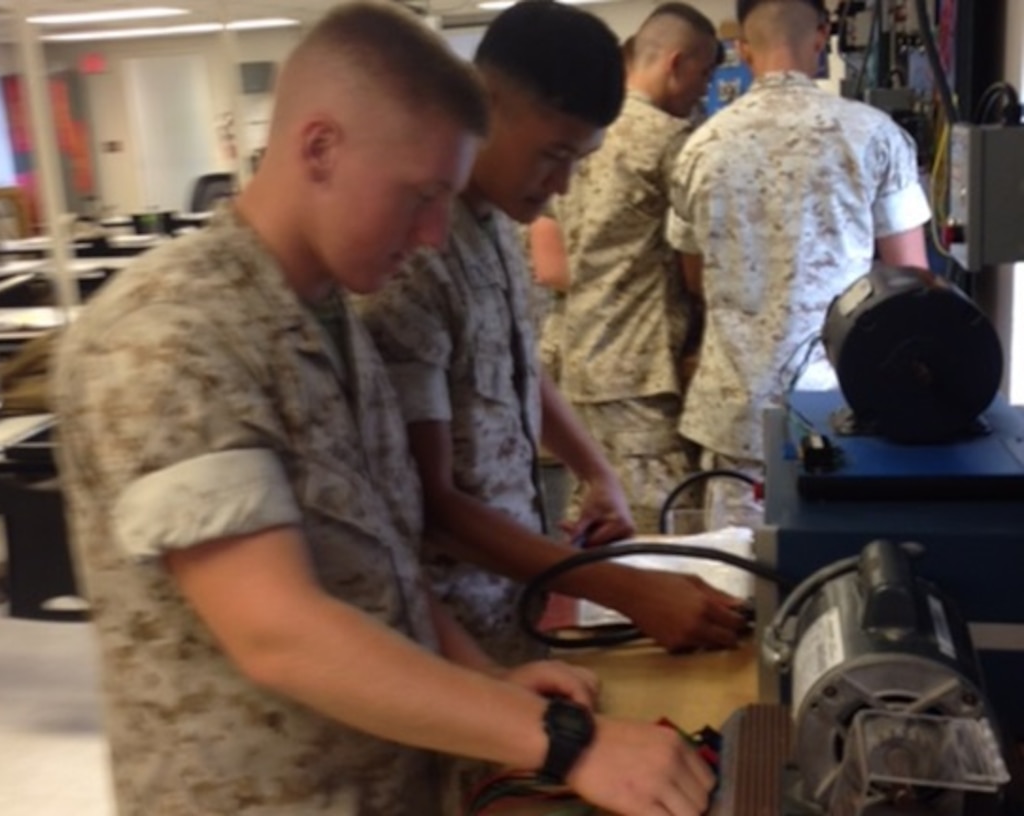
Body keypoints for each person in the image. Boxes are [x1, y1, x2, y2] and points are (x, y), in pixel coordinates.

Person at [53, 4, 715, 815]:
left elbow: (382, 570)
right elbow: (280, 632)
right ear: (321, 147)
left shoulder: (326, 318)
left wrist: (491, 685)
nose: (437, 236)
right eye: (420, 197)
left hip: (390, 776)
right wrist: (563, 741)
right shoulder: (172, 334)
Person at [357, 0, 746, 663]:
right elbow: (435, 506)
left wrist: (595, 469)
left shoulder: (494, 223)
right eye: (553, 154)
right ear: (486, 101)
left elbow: (515, 368)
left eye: (579, 158)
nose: (563, 186)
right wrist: (627, 590)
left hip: (511, 600)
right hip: (445, 636)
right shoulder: (414, 257)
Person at [666, 0, 931, 530]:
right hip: (842, 417)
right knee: (842, 590)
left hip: (735, 419)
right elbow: (911, 282)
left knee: (740, 590)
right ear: (822, 35)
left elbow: (694, 280)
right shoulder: (875, 135)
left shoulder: (699, 148)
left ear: (742, 47)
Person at [540, 3, 721, 535]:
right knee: (658, 536)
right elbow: (699, 271)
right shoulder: (672, 143)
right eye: (705, 73)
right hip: (641, 372)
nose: (704, 90)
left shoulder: (583, 131)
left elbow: (551, 255)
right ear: (675, 63)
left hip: (579, 362)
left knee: (593, 520)